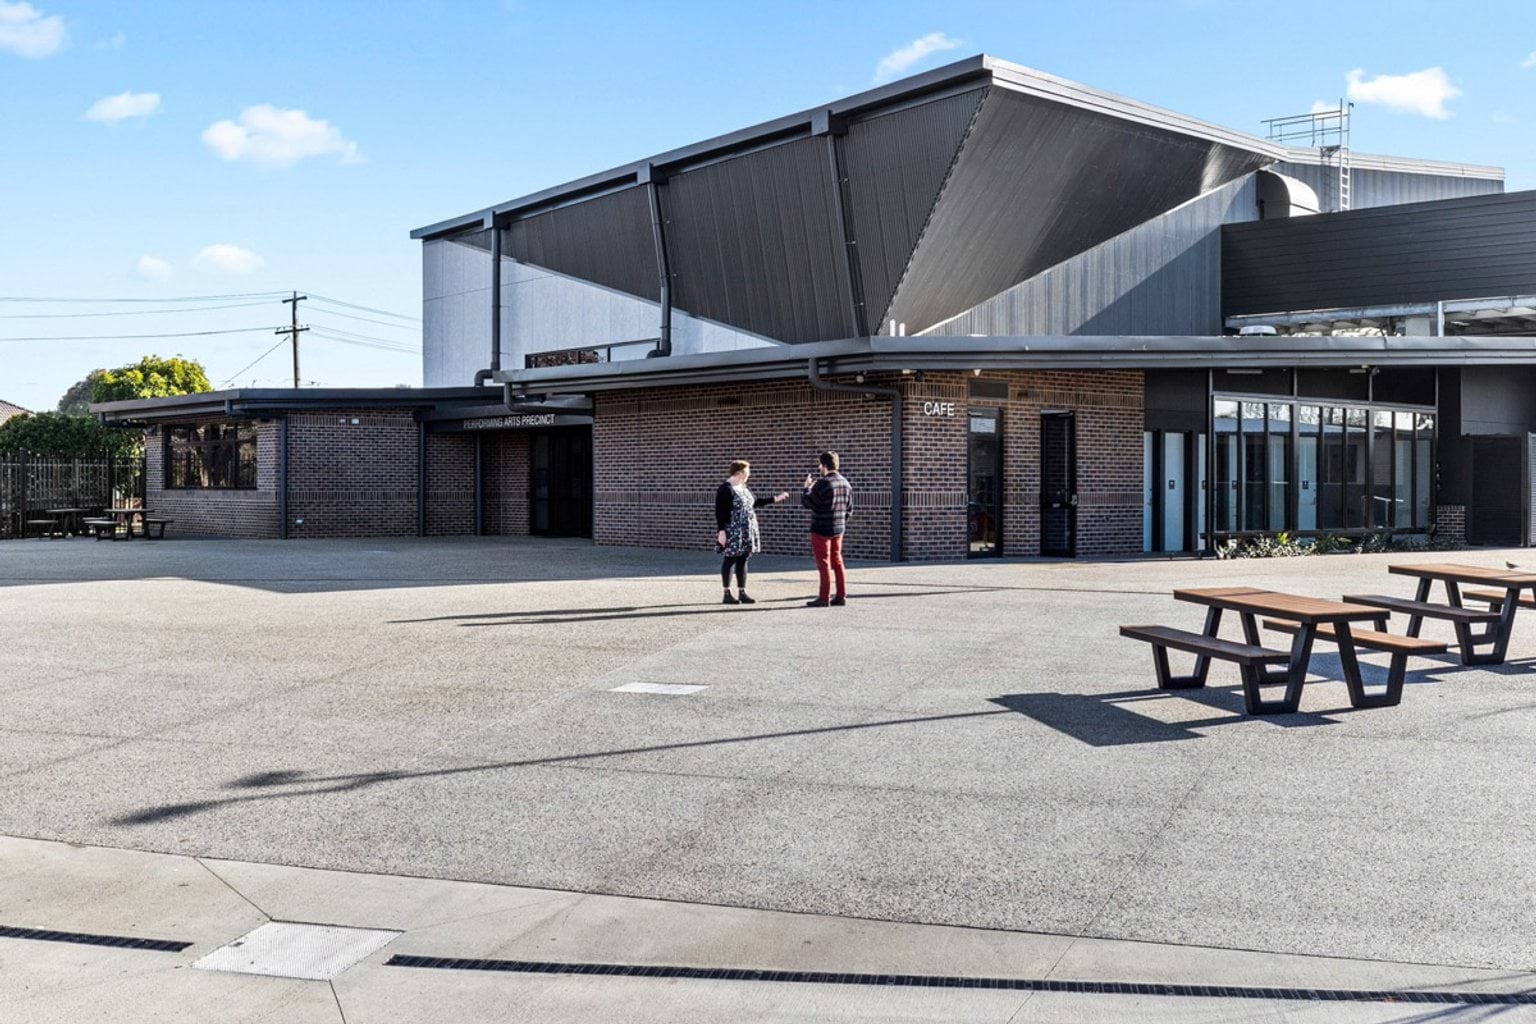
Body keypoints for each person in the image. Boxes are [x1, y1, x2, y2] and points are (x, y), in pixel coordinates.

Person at [715, 460, 789, 605]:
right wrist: (721, 531)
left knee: (743, 559)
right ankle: (727, 592)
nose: (749, 474)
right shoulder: (726, 489)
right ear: (740, 473)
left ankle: (742, 592)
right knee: (730, 559)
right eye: (748, 472)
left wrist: (775, 499)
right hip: (733, 530)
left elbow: (755, 502)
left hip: (747, 529)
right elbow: (720, 512)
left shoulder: (743, 487)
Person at [801, 450, 853, 607]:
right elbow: (849, 508)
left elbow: (808, 503)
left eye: (820, 464)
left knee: (823, 563)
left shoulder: (823, 483)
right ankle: (841, 595)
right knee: (837, 561)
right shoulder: (845, 482)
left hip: (821, 528)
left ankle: (824, 597)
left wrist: (806, 488)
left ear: (824, 465)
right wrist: (841, 522)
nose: (819, 467)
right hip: (838, 528)